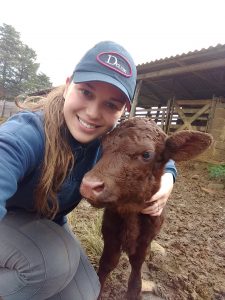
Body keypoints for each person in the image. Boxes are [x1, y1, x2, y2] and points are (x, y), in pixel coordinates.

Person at [0, 41, 176, 300]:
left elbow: (151, 147)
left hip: (47, 222)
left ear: (122, 111)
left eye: (111, 104)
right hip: (8, 221)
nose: (93, 113)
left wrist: (169, 177)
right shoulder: (26, 135)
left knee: (87, 292)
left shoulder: (107, 139)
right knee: (53, 265)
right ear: (69, 83)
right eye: (86, 92)